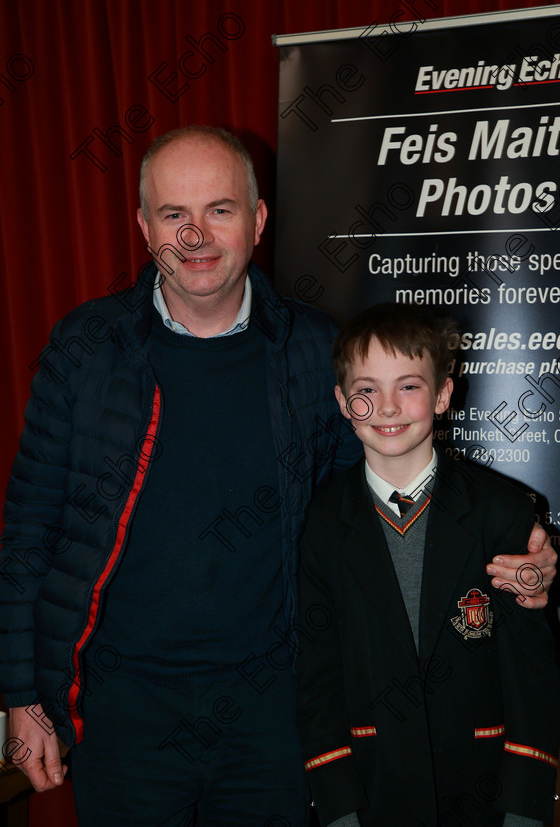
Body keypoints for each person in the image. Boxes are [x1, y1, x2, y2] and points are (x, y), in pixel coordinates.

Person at [0, 128, 555, 826]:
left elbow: (386, 491)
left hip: (272, 712)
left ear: (258, 221)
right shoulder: (84, 349)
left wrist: (514, 535)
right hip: (120, 713)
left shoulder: (314, 348)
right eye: (174, 214)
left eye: (221, 210)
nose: (196, 235)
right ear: (144, 228)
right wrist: (21, 697)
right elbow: (27, 529)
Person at [296, 302, 560, 827]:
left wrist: (525, 806)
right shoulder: (322, 520)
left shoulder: (501, 514)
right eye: (367, 390)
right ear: (343, 403)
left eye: (409, 386)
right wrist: (337, 801)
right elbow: (316, 673)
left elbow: (532, 677)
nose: (388, 406)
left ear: (442, 394)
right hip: (371, 791)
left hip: (481, 789)